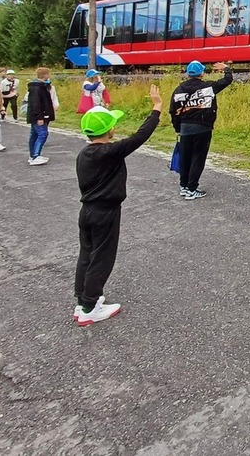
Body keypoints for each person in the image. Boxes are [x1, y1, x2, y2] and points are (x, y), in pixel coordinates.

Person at [74, 85, 163, 326]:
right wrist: (156, 108)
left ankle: (83, 300)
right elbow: (140, 136)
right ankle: (90, 309)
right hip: (106, 213)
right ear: (109, 130)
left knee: (87, 255)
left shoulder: (84, 154)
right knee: (102, 257)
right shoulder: (111, 152)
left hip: (87, 212)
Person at [168, 60, 233, 200]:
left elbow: (173, 111)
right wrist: (226, 68)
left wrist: (177, 129)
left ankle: (184, 186)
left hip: (184, 129)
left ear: (188, 74)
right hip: (203, 128)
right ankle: (192, 188)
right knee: (198, 158)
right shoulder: (208, 87)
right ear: (202, 73)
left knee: (185, 158)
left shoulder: (178, 90)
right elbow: (227, 80)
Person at [26, 68, 56, 165]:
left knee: (34, 134)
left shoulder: (41, 86)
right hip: (39, 115)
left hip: (40, 114)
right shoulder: (37, 88)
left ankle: (32, 155)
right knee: (42, 134)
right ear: (45, 75)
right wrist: (39, 117)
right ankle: (35, 155)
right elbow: (36, 103)